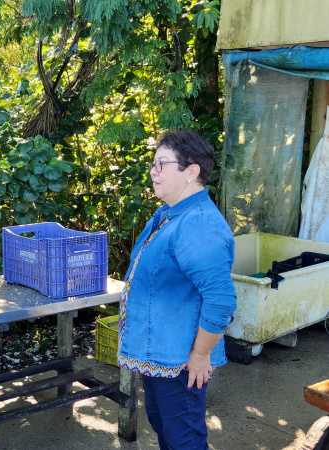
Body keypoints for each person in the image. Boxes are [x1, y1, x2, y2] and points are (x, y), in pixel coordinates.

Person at [117, 130, 237, 450]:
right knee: (167, 431)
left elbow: (221, 299)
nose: (153, 172)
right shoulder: (171, 215)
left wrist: (200, 355)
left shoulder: (197, 223)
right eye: (153, 164)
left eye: (161, 164)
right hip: (162, 354)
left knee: (184, 439)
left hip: (182, 362)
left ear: (191, 171)